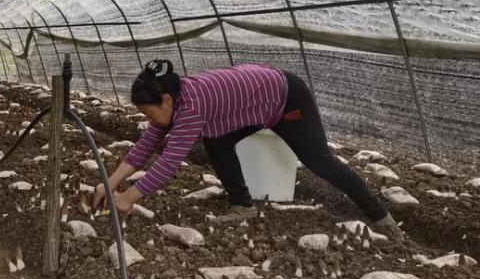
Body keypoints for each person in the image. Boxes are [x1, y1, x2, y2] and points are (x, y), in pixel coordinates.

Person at [93, 60, 402, 238]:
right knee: (217, 139)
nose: (149, 120)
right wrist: (112, 182)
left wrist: (129, 198)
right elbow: (147, 144)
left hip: (285, 99)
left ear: (167, 101)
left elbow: (170, 161)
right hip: (251, 105)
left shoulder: (192, 107)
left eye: (149, 113)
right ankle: (242, 205)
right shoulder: (173, 100)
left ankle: (380, 216)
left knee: (320, 162)